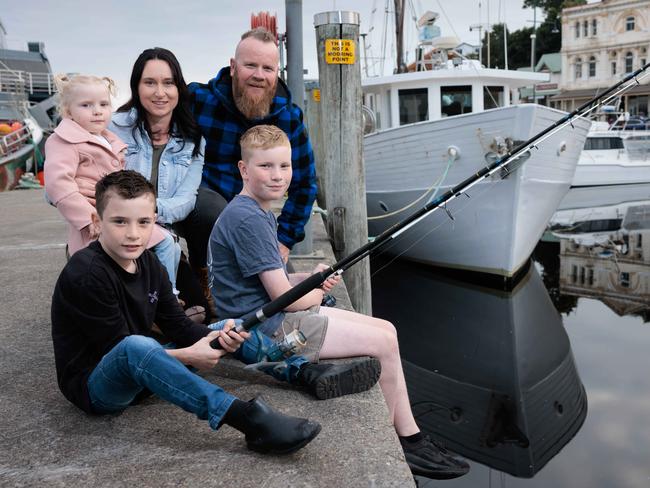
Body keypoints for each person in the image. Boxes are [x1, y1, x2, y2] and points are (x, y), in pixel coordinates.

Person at [208, 125, 470, 480]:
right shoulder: (249, 219)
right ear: (243, 169)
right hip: (264, 329)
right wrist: (315, 293)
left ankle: (409, 436)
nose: (277, 176)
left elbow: (281, 282)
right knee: (382, 341)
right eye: (265, 166)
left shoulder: (255, 212)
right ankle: (405, 441)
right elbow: (285, 299)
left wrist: (313, 277)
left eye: (284, 166)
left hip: (271, 315)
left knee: (388, 330)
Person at [51, 169, 321, 455]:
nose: (133, 234)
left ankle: (301, 371)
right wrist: (188, 355)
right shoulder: (87, 272)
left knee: (229, 326)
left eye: (143, 222)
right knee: (136, 346)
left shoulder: (150, 264)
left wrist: (214, 341)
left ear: (154, 221)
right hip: (99, 387)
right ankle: (247, 419)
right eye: (119, 222)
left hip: (146, 364)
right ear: (97, 221)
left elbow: (178, 326)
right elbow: (118, 351)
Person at [187, 27, 317, 288]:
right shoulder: (198, 100)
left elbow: (305, 184)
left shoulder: (288, 118)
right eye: (250, 66)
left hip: (257, 223)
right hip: (205, 212)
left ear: (276, 73)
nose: (259, 75)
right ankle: (204, 281)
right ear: (233, 67)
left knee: (285, 292)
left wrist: (283, 239)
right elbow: (149, 117)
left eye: (267, 68)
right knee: (213, 210)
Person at [44, 74, 181, 296]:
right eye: (86, 105)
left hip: (118, 213)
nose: (97, 111)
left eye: (103, 104)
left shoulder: (109, 140)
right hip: (94, 219)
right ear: (68, 112)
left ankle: (161, 296)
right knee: (142, 253)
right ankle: (163, 300)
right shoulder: (64, 141)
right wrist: (88, 218)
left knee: (167, 244)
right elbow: (58, 184)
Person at [109, 47, 209, 317]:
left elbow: (186, 199)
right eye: (149, 82)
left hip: (160, 232)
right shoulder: (113, 127)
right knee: (135, 306)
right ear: (136, 87)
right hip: (119, 233)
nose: (160, 92)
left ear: (179, 88)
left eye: (168, 83)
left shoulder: (192, 139)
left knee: (200, 311)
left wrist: (148, 215)